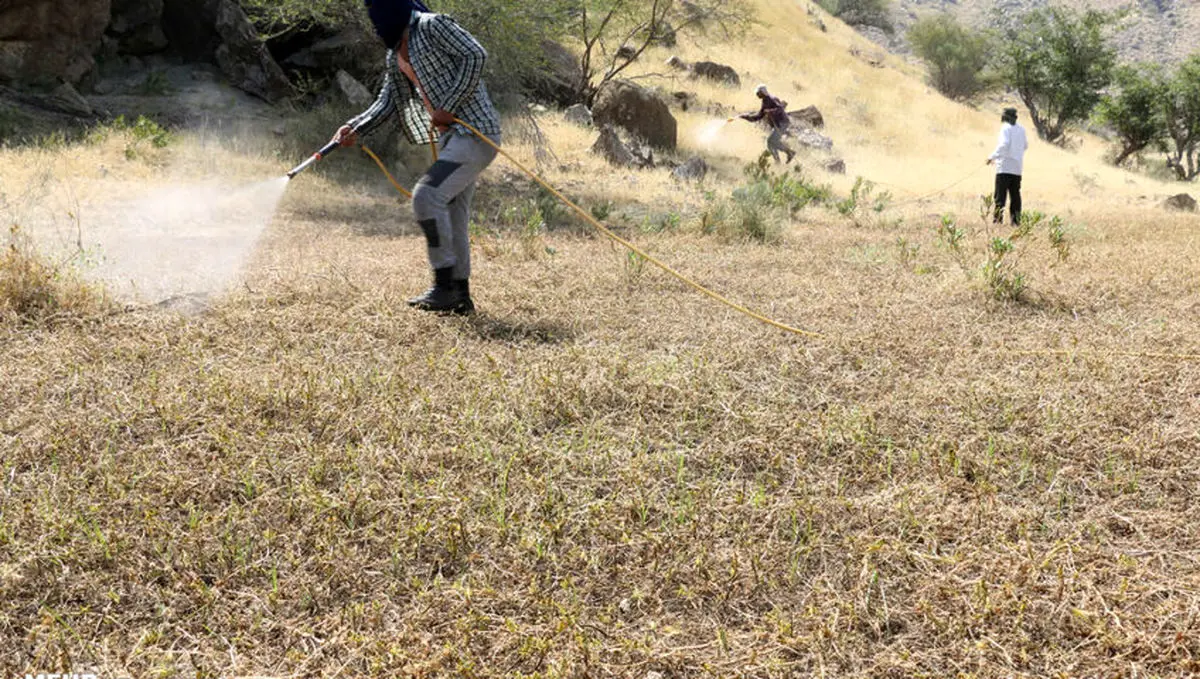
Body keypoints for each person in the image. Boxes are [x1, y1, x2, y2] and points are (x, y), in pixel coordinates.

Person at [332, 0, 502, 314]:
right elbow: (387, 104)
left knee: (426, 196)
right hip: (452, 138)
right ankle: (459, 295)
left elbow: (476, 54)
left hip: (475, 133)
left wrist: (448, 105)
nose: (375, 16)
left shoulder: (431, 24)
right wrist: (353, 127)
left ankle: (443, 286)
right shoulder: (395, 54)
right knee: (453, 214)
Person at [986, 107, 1028, 225]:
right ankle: (1016, 221)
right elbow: (1025, 146)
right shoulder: (1022, 129)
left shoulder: (1005, 128)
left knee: (1000, 197)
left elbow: (1004, 145)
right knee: (1015, 196)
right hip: (1017, 168)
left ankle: (997, 221)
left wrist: (992, 157)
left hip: (1004, 168)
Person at [739, 84, 795, 164]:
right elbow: (759, 116)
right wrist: (746, 117)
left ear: (763, 92)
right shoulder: (764, 102)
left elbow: (780, 108)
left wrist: (770, 111)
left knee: (770, 141)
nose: (757, 94)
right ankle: (780, 159)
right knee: (771, 143)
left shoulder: (772, 99)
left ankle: (788, 153)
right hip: (777, 125)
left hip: (782, 123)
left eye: (758, 93)